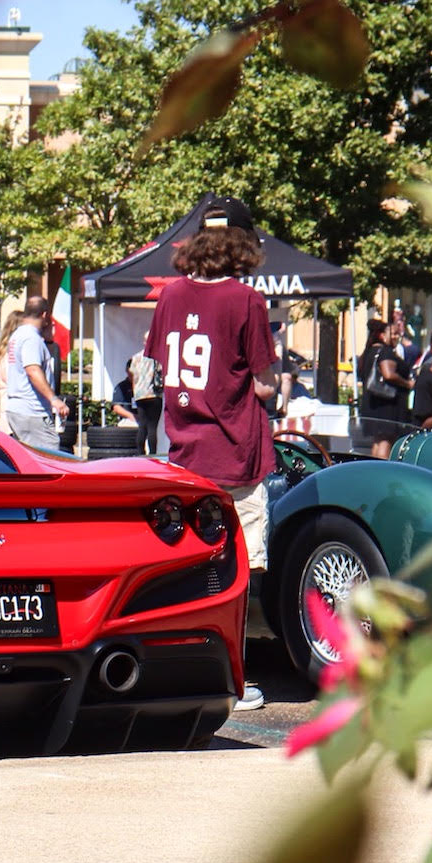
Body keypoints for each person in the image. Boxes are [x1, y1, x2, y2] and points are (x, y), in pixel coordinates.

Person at [144, 220, 277, 712]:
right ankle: (232, 679)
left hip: (184, 450)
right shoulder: (246, 300)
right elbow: (263, 384)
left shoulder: (171, 295)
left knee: (191, 565)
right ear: (240, 255)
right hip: (235, 450)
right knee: (240, 570)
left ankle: (186, 670)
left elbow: (158, 368)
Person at [1, 295, 67, 449]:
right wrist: (53, 399)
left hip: (17, 409)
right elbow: (32, 370)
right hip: (32, 411)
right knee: (50, 457)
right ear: (44, 315)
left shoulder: (17, 336)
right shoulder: (31, 338)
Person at [355, 319, 412, 458]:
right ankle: (383, 470)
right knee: (386, 441)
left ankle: (374, 468)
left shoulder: (368, 352)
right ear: (382, 335)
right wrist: (407, 383)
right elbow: (388, 374)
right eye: (392, 333)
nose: (396, 337)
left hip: (373, 403)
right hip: (387, 405)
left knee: (378, 441)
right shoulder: (385, 352)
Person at [109, 350, 162, 454]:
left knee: (144, 426)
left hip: (140, 394)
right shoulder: (157, 356)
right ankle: (151, 454)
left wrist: (136, 390)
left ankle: (142, 453)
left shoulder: (136, 357)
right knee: (151, 427)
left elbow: (134, 377)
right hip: (153, 394)